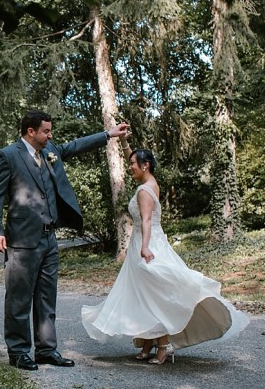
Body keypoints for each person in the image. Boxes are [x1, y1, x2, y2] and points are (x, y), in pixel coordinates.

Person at [0, 110, 130, 370]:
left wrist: (108, 134)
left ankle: (46, 350)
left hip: (49, 238)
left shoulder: (49, 150)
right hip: (21, 241)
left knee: (46, 297)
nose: (50, 135)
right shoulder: (8, 156)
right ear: (31, 132)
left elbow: (74, 146)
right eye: (46, 131)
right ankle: (19, 352)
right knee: (19, 299)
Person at [81, 148, 249, 364]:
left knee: (155, 295)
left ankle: (162, 346)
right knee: (142, 293)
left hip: (147, 243)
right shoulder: (151, 183)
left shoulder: (144, 190)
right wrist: (123, 141)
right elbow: (134, 158)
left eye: (133, 163)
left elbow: (147, 220)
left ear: (145, 165)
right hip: (148, 241)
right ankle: (148, 343)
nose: (130, 166)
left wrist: (145, 247)